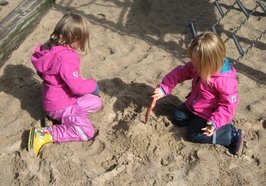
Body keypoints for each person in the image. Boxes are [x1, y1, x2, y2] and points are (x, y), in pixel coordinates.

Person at [152, 32, 243, 155]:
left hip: (207, 114)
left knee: (193, 135)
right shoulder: (199, 65)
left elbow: (227, 106)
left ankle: (230, 135)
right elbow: (180, 73)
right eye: (193, 60)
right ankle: (195, 122)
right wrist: (164, 88)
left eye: (197, 63)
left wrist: (214, 122)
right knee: (178, 117)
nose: (193, 65)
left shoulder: (225, 81)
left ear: (210, 63)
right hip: (193, 105)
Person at [28, 13, 103, 157]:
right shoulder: (67, 58)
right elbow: (77, 87)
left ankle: (56, 119)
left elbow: (42, 73)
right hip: (61, 105)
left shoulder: (49, 50)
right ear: (76, 39)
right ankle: (45, 134)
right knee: (86, 131)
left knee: (96, 102)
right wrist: (92, 85)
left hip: (54, 99)